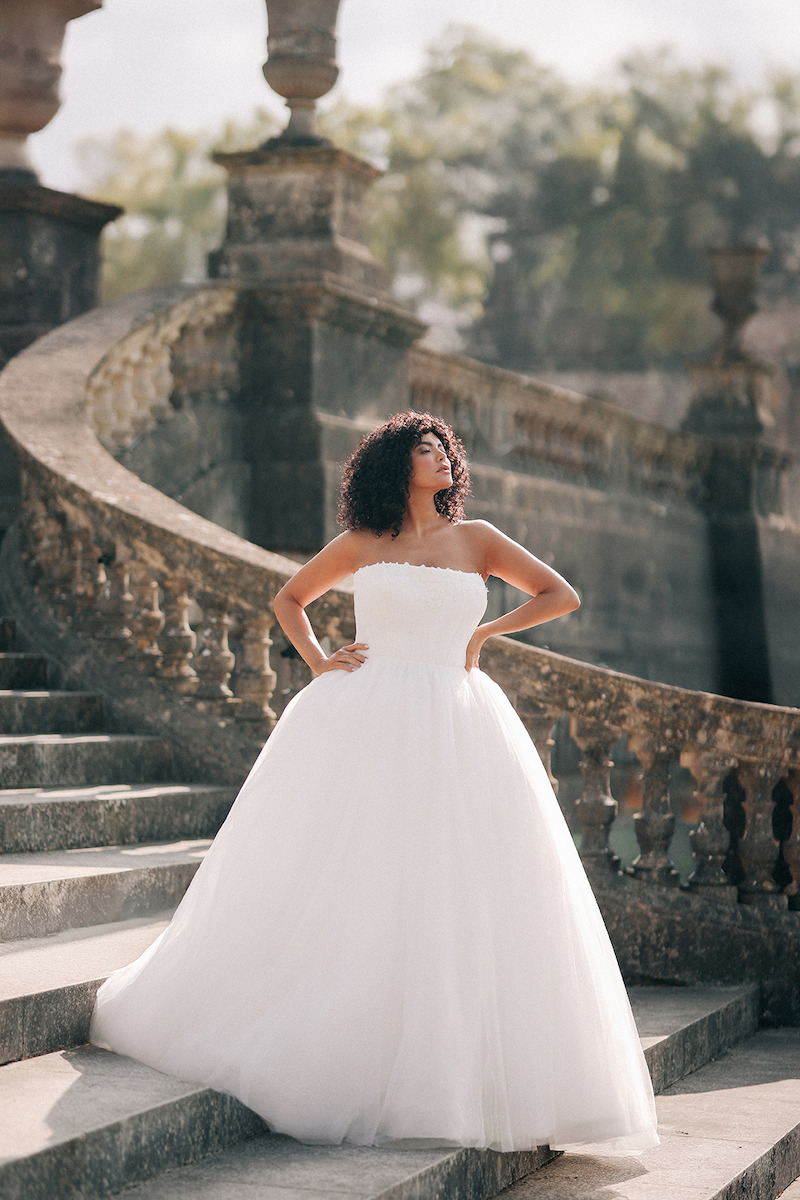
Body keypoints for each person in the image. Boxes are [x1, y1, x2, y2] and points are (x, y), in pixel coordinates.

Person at [91, 411, 659, 1154]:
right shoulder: (364, 544)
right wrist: (322, 659)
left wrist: (484, 635)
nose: (441, 459)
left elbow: (561, 594)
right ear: (397, 466)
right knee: (359, 872)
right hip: (364, 714)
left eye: (443, 449)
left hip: (458, 721)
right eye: (425, 450)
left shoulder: (478, 539)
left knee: (457, 883)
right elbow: (288, 598)